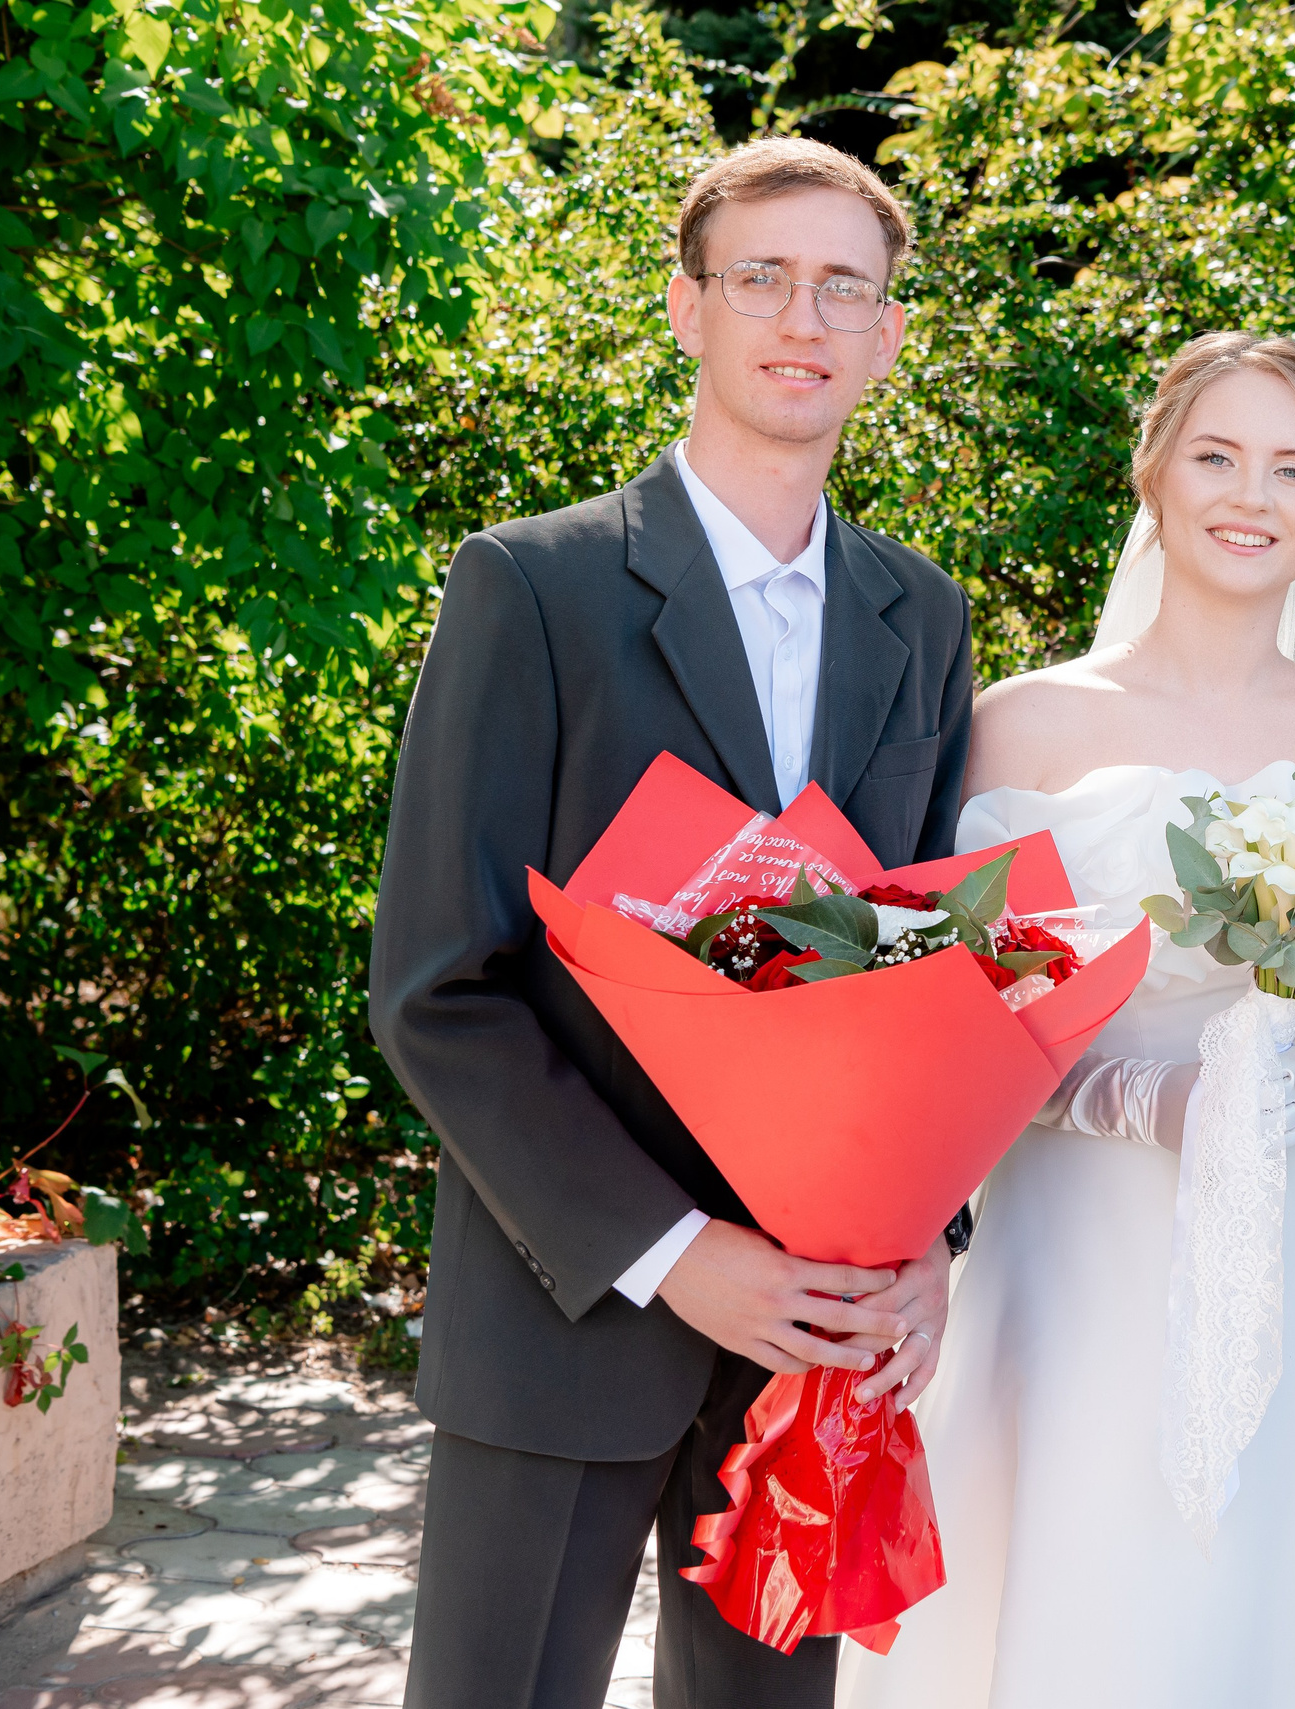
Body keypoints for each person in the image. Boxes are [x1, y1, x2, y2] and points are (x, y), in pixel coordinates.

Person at [369, 138, 976, 1709]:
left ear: (890, 333)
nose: (804, 313)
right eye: (763, 274)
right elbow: (441, 989)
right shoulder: (533, 587)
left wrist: (925, 1248)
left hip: (815, 1338)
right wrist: (673, 1251)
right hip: (569, 1308)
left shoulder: (925, 613)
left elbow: (930, 980)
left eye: (847, 284)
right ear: (687, 307)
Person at [834, 333, 1295, 1709]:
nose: (1249, 494)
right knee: (1086, 1580)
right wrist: (1134, 1096)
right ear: (1154, 471)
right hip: (1080, 1240)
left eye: (1292, 467)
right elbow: (957, 1012)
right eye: (1216, 454)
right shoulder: (1020, 724)